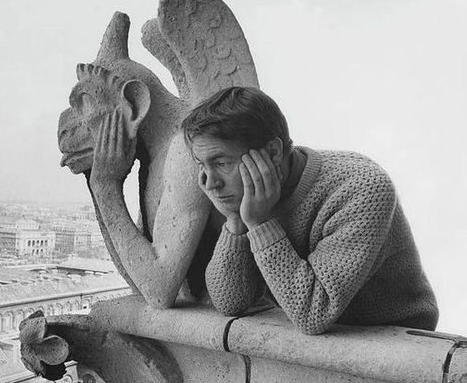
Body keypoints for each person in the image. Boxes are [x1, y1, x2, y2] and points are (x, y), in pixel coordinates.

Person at [181, 86, 439, 334]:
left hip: (395, 337)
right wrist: (236, 219)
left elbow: (313, 313)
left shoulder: (361, 189)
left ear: (272, 152)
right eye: (202, 165)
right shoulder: (247, 199)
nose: (210, 183)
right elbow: (230, 302)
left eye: (221, 162)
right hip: (311, 333)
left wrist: (260, 224)